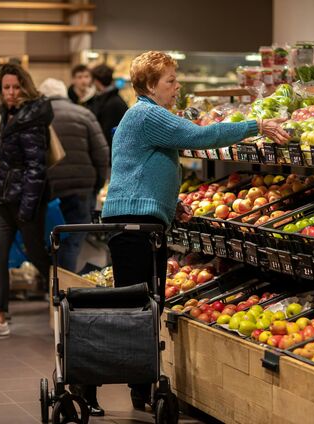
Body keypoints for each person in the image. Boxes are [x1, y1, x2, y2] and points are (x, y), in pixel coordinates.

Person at [101, 51, 289, 410]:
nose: (177, 86)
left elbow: (143, 168)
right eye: (170, 80)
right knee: (136, 309)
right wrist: (256, 126)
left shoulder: (143, 115)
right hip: (134, 225)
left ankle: (140, 386)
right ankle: (97, 381)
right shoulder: (148, 114)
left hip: (140, 221)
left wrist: (170, 204)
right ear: (150, 85)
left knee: (145, 306)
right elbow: (200, 136)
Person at [0, 63, 53, 341]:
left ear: (25, 88)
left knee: (38, 255)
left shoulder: (31, 119)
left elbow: (36, 168)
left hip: (25, 203)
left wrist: (27, 209)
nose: (11, 92)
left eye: (16, 87)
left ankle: (68, 298)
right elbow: (0, 160)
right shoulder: (9, 114)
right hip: (4, 202)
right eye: (6, 87)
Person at [38, 78, 109, 274]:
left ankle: (53, 284)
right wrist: (97, 185)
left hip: (48, 192)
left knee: (50, 241)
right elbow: (102, 153)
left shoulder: (37, 118)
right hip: (81, 191)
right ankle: (64, 286)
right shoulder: (84, 114)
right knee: (72, 243)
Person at [90, 64, 128, 148]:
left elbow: (107, 134)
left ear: (97, 81)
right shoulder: (111, 99)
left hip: (111, 150)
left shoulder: (111, 102)